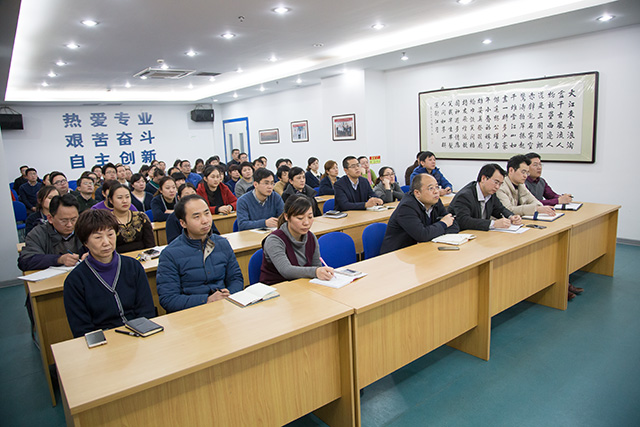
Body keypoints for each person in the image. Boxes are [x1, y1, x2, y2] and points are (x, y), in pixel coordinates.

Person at [63, 209, 156, 338]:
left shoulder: (133, 266)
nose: (106, 242)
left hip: (139, 334)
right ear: (85, 242)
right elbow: (82, 329)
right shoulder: (75, 280)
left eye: (110, 234)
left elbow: (146, 310)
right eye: (98, 237)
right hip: (103, 341)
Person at [156, 195, 243, 313]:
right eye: (197, 217)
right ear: (183, 223)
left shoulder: (222, 244)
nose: (205, 220)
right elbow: (169, 299)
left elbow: (236, 279)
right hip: (192, 314)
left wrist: (229, 293)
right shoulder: (170, 254)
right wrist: (206, 300)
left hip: (224, 308)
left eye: (207, 213)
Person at [260, 195, 334, 285]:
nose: (306, 223)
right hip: (277, 290)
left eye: (310, 217)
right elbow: (286, 270)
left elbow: (316, 265)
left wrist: (321, 272)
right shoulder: (274, 240)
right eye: (300, 218)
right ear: (287, 217)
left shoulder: (311, 237)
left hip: (302, 286)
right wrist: (315, 272)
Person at [380, 174, 459, 254]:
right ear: (417, 193)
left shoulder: (435, 201)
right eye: (431, 188)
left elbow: (453, 225)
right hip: (397, 255)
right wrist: (443, 224)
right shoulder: (406, 207)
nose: (436, 192)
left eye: (437, 187)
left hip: (423, 249)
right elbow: (422, 235)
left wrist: (434, 233)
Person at [18, 194, 84, 271]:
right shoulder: (38, 233)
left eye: (73, 219)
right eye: (64, 220)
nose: (69, 225)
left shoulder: (84, 229)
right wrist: (59, 259)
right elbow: (25, 261)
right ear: (50, 218)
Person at [448, 163, 522, 231]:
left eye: (500, 184)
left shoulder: (491, 194)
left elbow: (500, 209)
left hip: (479, 233)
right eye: (496, 182)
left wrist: (511, 217)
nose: (497, 187)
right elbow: (464, 221)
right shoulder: (465, 196)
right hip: (462, 234)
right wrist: (493, 224)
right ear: (483, 178)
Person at [108, 183, 155, 253]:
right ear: (111, 200)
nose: (124, 201)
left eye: (127, 197)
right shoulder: (106, 221)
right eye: (120, 198)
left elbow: (150, 244)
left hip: (143, 257)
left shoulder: (141, 217)